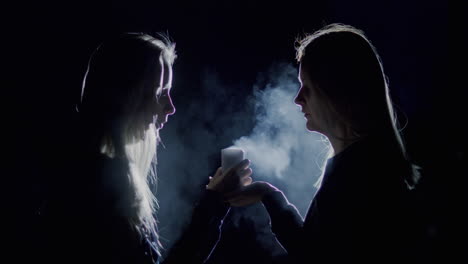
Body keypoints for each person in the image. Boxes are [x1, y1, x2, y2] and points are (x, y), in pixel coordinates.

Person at [41, 33, 252, 264]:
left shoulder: (82, 171)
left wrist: (213, 205)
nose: (171, 107)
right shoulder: (98, 183)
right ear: (125, 94)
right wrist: (211, 207)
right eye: (160, 93)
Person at [222, 24, 421, 263]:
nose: (298, 99)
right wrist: (268, 195)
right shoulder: (362, 167)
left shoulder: (362, 178)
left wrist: (270, 198)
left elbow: (314, 256)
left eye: (307, 87)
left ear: (336, 93)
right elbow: (315, 247)